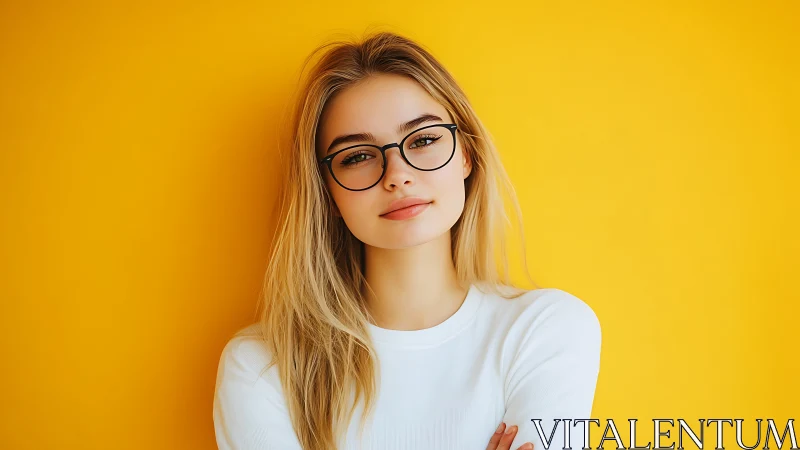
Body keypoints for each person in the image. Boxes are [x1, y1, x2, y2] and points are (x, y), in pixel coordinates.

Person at [213, 30, 601, 450]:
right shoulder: (261, 367)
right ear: (327, 193)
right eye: (357, 156)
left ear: (467, 154)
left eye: (424, 139)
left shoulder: (547, 330)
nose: (397, 174)